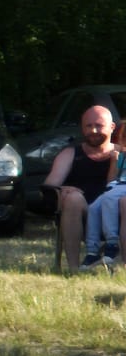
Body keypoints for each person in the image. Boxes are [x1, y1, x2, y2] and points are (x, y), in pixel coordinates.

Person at [44, 105, 117, 271]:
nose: (93, 130)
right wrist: (62, 189)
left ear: (112, 127)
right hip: (81, 213)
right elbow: (49, 189)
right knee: (72, 199)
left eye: (99, 125)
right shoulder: (70, 154)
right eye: (88, 126)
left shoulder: (123, 155)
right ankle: (74, 269)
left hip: (116, 213)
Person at [80, 122, 126, 269]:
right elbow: (111, 181)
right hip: (116, 186)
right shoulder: (122, 157)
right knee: (93, 207)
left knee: (109, 198)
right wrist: (114, 161)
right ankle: (92, 251)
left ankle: (112, 243)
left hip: (122, 188)